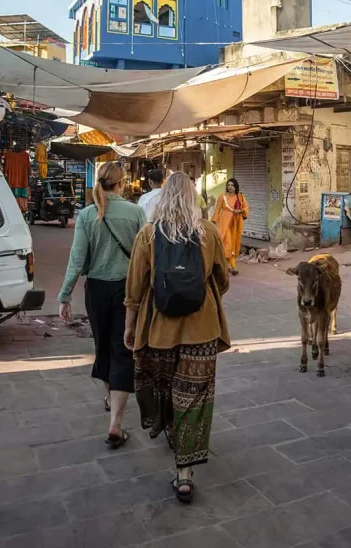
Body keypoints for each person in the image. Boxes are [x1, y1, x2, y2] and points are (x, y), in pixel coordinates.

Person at [124, 172, 230, 503]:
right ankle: (185, 473)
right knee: (194, 397)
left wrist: (129, 327)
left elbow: (134, 289)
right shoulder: (209, 232)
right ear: (192, 198)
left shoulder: (148, 234)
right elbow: (223, 280)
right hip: (202, 330)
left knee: (166, 390)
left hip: (160, 331)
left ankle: (170, 429)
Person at [58, 161, 146, 448]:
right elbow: (146, 256)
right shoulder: (136, 212)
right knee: (124, 348)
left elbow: (77, 259)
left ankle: (110, 396)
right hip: (128, 290)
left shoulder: (87, 214)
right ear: (122, 183)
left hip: (96, 290)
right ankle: (115, 425)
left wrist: (65, 295)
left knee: (103, 346)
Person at [211, 178, 249, 275]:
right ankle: (233, 266)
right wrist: (214, 221)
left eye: (232, 185)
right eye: (228, 185)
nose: (230, 187)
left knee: (233, 244)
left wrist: (240, 210)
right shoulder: (222, 196)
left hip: (235, 224)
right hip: (224, 223)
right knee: (227, 243)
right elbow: (217, 209)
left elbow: (246, 208)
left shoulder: (240, 197)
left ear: (236, 186)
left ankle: (227, 265)